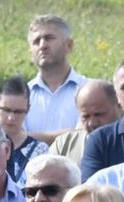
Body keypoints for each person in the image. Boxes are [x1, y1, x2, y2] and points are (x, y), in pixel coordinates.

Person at [24, 15, 86, 143]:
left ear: (69, 45)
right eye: (36, 41)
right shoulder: (21, 95)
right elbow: (12, 140)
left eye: (49, 38)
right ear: (30, 51)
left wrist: (27, 137)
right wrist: (70, 135)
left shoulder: (89, 90)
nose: (42, 46)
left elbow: (86, 136)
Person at [50, 79, 121, 164]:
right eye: (86, 117)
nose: (92, 123)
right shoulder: (63, 146)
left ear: (119, 106)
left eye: (99, 114)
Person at [0, 77, 50, 182]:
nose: (11, 118)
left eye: (18, 112)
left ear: (28, 109)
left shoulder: (39, 151)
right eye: (6, 110)